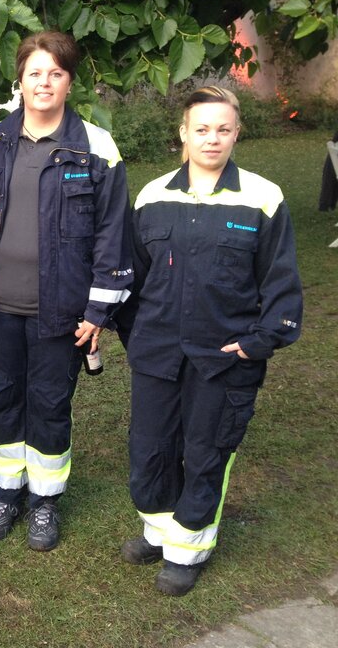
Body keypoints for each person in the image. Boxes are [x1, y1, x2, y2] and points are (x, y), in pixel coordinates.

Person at [117, 86, 302, 596]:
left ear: (237, 133)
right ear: (183, 133)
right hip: (157, 353)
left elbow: (280, 284)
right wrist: (136, 339)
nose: (212, 139)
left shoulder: (262, 198)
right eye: (201, 128)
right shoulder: (154, 195)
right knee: (150, 447)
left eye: (223, 129)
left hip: (223, 359)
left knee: (205, 450)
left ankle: (189, 548)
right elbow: (135, 278)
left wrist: (258, 343)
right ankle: (159, 530)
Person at [0, 30, 132, 551]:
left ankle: (44, 502)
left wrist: (98, 311)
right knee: (0, 400)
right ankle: (6, 493)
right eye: (35, 72)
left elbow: (113, 235)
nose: (44, 82)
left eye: (55, 73)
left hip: (61, 312)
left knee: (50, 404)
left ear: (69, 81)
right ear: (20, 79)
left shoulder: (96, 146)